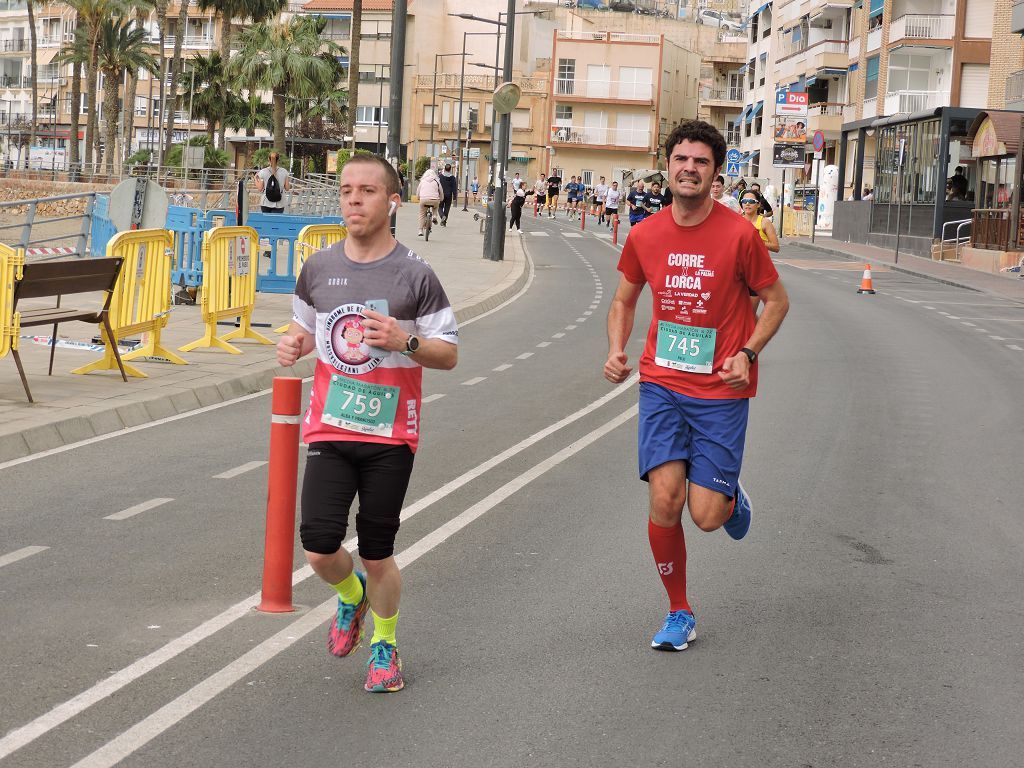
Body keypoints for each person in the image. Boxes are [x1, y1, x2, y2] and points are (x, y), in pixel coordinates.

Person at [603, 119, 789, 654]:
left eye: (701, 162)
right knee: (665, 499)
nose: (689, 169)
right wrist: (616, 349)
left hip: (721, 392)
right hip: (662, 384)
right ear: (668, 166)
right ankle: (679, 611)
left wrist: (748, 353)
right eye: (681, 159)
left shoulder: (739, 235)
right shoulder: (645, 233)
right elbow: (623, 300)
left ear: (716, 172)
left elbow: (776, 301)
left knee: (705, 517)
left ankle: (730, 500)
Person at [276, 154, 459, 693]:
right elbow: (304, 328)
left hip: (390, 433)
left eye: (367, 191)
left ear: (392, 201)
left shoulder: (416, 274)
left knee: (378, 551)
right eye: (346, 191)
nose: (354, 200)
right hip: (331, 426)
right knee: (317, 546)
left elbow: (447, 354)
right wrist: (294, 343)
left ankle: (384, 645)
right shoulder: (318, 267)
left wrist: (404, 341)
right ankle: (350, 596)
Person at [415, 168, 443, 237]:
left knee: (422, 214)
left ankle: (420, 230)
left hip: (424, 200)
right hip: (435, 200)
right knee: (435, 207)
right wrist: (441, 199)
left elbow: (418, 191)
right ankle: (434, 216)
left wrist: (418, 198)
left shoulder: (422, 181)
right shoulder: (437, 181)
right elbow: (441, 192)